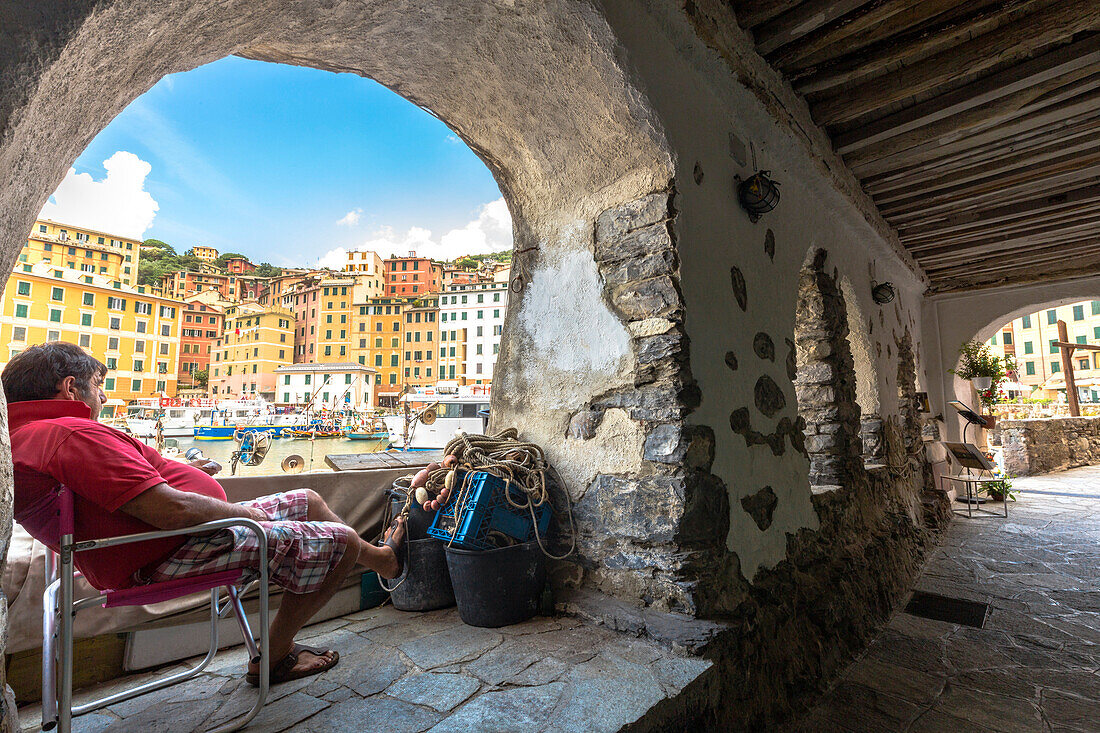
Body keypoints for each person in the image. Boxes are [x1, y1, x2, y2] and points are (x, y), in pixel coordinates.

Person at [3, 342, 404, 685]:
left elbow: (132, 494)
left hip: (161, 541)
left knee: (309, 500)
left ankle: (383, 562)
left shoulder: (32, 435)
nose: (103, 398)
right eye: (98, 386)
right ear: (70, 388)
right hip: (167, 552)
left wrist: (187, 473)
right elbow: (172, 509)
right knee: (340, 542)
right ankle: (274, 658)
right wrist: (252, 518)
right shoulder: (67, 435)